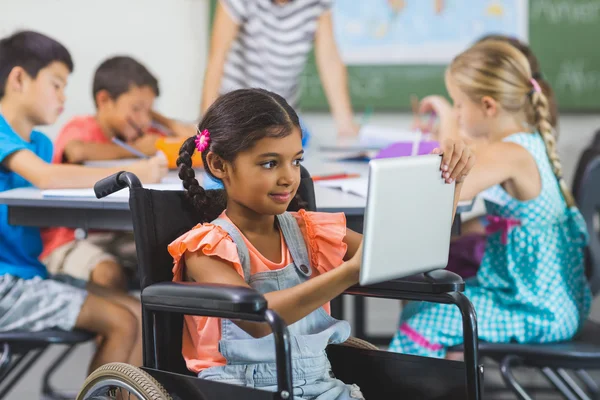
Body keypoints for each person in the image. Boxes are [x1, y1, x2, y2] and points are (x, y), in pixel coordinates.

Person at [168, 88, 473, 397]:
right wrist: (349, 272)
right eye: (270, 164)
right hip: (239, 390)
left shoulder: (309, 231)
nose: (289, 177)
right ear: (219, 165)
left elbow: (408, 253)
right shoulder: (206, 248)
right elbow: (260, 319)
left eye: (296, 161)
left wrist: (449, 183)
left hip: (319, 385)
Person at [389, 40, 591, 358]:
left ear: (488, 106)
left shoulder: (509, 153)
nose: (456, 113)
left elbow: (445, 193)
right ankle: (446, 389)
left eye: (457, 105)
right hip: (542, 300)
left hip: (537, 309)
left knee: (424, 323)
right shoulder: (521, 141)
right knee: (418, 310)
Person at [0, 30, 167, 372]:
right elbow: (46, 178)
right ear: (19, 78)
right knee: (121, 322)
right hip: (6, 283)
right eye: (56, 84)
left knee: (136, 313)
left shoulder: (41, 143)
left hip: (30, 275)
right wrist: (134, 172)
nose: (63, 97)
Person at [40, 56, 172, 290]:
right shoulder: (82, 127)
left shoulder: (140, 129)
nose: (143, 120)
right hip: (70, 236)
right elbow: (76, 150)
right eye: (136, 108)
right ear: (104, 100)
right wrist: (137, 151)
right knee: (108, 273)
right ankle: (117, 323)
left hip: (118, 233)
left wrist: (157, 118)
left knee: (173, 255)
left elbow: (199, 136)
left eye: (149, 111)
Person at [201, 0, 359, 141]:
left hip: (282, 114)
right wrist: (206, 127)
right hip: (238, 113)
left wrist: (346, 125)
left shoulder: (316, 3)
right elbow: (217, 58)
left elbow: (329, 58)